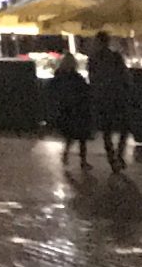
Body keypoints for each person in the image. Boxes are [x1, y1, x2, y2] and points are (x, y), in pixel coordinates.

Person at [88, 32, 133, 174]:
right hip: (117, 97)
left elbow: (92, 79)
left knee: (106, 132)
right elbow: (125, 77)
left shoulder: (93, 59)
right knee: (124, 128)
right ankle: (119, 155)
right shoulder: (116, 57)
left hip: (101, 99)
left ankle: (112, 158)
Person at [50, 50, 96, 173]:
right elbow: (85, 91)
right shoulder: (76, 78)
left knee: (70, 136)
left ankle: (66, 155)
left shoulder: (59, 77)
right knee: (82, 137)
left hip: (66, 110)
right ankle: (82, 161)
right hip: (78, 109)